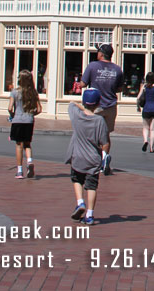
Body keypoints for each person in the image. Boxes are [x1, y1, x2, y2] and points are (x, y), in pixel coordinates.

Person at [66, 88, 110, 226]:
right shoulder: (99, 121)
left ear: (84, 102)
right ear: (97, 104)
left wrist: (81, 105)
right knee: (92, 186)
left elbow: (71, 103)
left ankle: (80, 203)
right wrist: (105, 156)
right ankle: (89, 215)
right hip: (93, 159)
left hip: (77, 156)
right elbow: (105, 142)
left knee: (76, 179)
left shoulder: (76, 116)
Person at [81, 43, 123, 175]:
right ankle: (104, 158)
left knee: (93, 135)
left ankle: (95, 161)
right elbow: (120, 88)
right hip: (110, 106)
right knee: (105, 135)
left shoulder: (93, 66)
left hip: (96, 106)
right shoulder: (117, 69)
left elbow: (83, 84)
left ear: (101, 54)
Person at [9, 69, 41, 178]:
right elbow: (39, 109)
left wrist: (12, 114)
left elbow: (9, 108)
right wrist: (31, 115)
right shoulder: (33, 92)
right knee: (27, 144)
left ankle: (19, 171)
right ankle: (30, 161)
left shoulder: (14, 92)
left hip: (18, 120)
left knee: (19, 145)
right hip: (29, 120)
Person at [138, 71, 154, 153]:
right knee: (153, 129)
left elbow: (138, 97)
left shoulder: (144, 87)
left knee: (145, 127)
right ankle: (152, 148)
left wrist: (138, 107)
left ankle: (145, 141)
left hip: (146, 109)